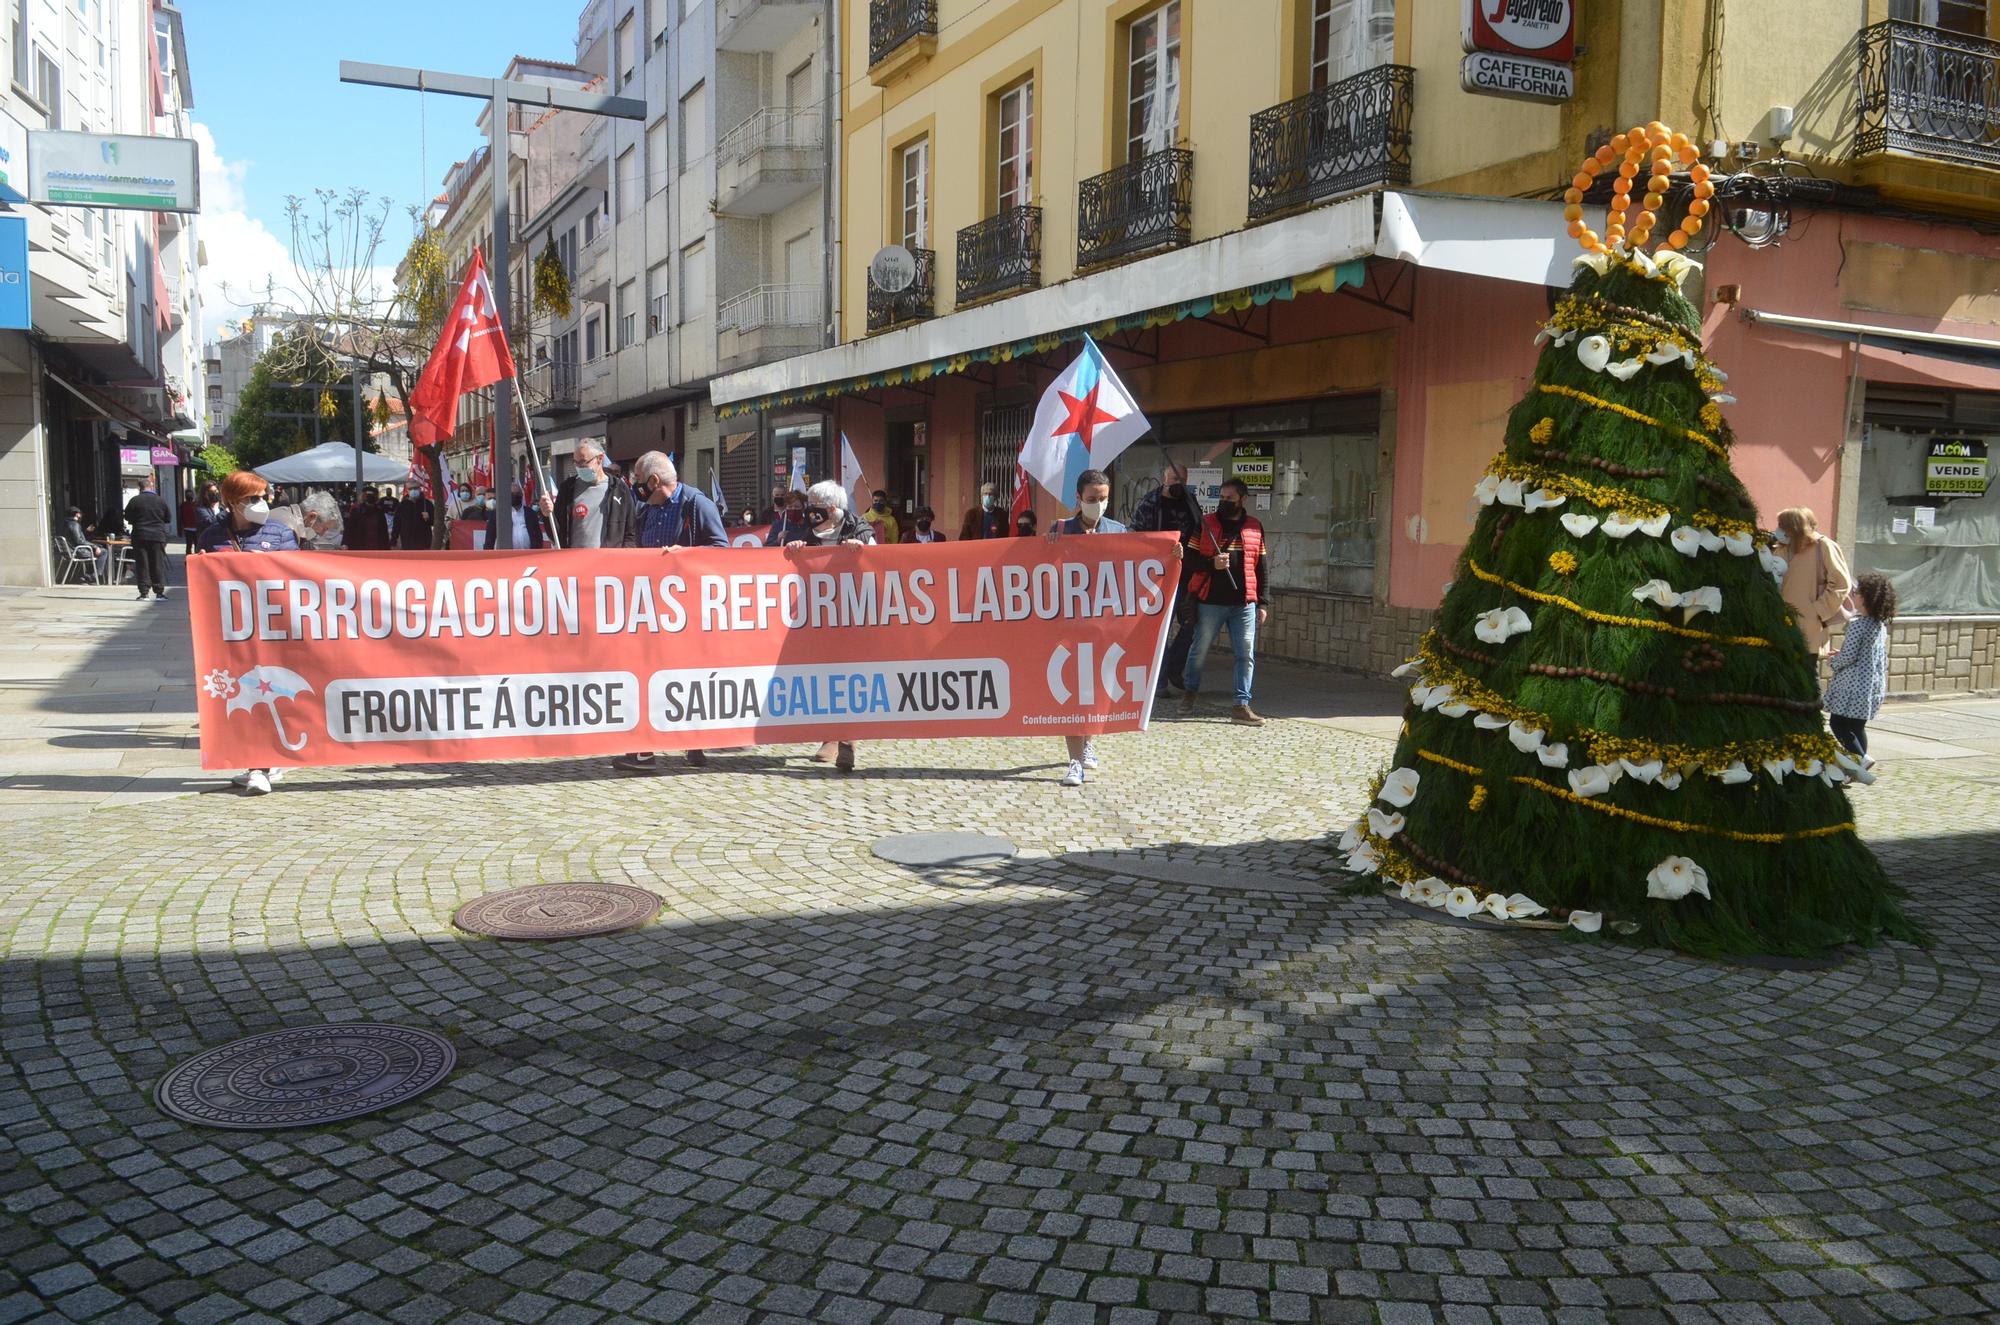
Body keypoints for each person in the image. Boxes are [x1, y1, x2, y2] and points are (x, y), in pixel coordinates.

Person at [613, 452, 731, 775]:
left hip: (687, 610)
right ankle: (644, 749)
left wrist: (687, 556)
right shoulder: (645, 508)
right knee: (648, 675)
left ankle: (692, 739)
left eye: (638, 482)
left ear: (654, 481)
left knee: (684, 677)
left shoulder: (696, 504)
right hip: (650, 608)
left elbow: (722, 551)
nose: (635, 488)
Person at [197, 471, 302, 797]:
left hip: (272, 633)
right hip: (230, 634)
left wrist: (268, 566)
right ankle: (255, 763)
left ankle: (261, 766)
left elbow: (298, 577)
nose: (261, 503)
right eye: (252, 499)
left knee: (265, 695)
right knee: (240, 698)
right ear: (232, 502)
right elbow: (201, 584)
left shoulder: (280, 533)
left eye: (264, 496)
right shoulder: (211, 536)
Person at [785, 479, 874, 772]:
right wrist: (793, 549)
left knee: (850, 677)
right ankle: (829, 736)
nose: (811, 514)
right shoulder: (807, 534)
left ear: (834, 510)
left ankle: (848, 739)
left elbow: (880, 567)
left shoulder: (859, 530)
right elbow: (786, 567)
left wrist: (863, 554)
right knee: (824, 677)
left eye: (817, 509)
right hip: (817, 620)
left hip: (853, 620)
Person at [1048, 470, 1127, 787]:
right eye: (1092, 499)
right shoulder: (1061, 529)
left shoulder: (1119, 530)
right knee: (1072, 693)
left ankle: (1089, 742)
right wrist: (1047, 547)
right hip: (1069, 625)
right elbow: (1041, 567)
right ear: (1078, 498)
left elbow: (1138, 566)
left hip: (1105, 627)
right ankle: (1074, 761)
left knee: (1094, 692)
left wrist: (1169, 555)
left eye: (1104, 498)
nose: (1098, 504)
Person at [1180, 477, 1268, 726]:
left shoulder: (1254, 526)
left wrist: (1263, 602)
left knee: (1246, 655)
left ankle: (1241, 704)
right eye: (1222, 498)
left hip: (1244, 603)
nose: (1224, 502)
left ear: (1243, 499)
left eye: (1230, 498)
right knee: (1199, 651)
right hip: (1211, 601)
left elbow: (1262, 567)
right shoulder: (1206, 524)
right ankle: (1190, 693)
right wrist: (1212, 564)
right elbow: (1189, 560)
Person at [1129, 460, 1204, 695]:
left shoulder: (1191, 503)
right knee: (1160, 629)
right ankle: (1159, 682)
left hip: (1186, 575)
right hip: (1157, 577)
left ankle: (1173, 666)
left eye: (1182, 480)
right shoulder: (1151, 504)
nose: (1178, 484)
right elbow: (1135, 537)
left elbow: (1199, 533)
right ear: (1164, 480)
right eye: (1174, 480)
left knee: (1194, 624)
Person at [1824, 573, 1895, 770]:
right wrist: (1843, 654)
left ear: (1866, 598)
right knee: (1856, 727)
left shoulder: (1857, 625)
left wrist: (1833, 660)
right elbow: (1865, 653)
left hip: (1852, 686)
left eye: (1856, 592)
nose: (1853, 595)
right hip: (1870, 686)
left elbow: (1848, 657)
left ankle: (1860, 759)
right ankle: (1859, 767)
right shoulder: (1879, 625)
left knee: (1838, 724)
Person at [1775, 507, 1853, 658]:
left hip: (1809, 627)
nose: (1779, 529)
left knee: (1806, 677)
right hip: (1780, 626)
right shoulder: (1781, 548)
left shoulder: (1823, 546)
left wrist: (1818, 611)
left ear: (1795, 527)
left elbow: (1841, 583)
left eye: (1783, 525)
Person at [541, 439, 637, 549]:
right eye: (575, 462)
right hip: (574, 561)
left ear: (600, 459)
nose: (579, 467)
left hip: (609, 561)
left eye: (583, 462)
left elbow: (631, 532)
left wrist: (622, 558)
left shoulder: (619, 489)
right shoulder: (567, 488)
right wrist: (548, 515)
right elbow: (556, 535)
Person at [123, 477, 173, 601]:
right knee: (157, 564)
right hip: (157, 535)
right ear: (151, 487)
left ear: (140, 488)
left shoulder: (135, 501)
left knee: (142, 564)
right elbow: (168, 518)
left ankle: (144, 593)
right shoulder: (160, 501)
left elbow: (128, 516)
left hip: (140, 535)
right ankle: (159, 592)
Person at [268, 490, 344, 549]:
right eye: (324, 528)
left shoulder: (292, 519)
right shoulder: (287, 527)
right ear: (312, 516)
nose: (322, 534)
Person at [484, 484, 550, 549]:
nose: (515, 496)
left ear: (521, 495)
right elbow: (490, 538)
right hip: (507, 556)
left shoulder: (531, 513)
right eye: (512, 494)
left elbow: (538, 536)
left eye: (517, 493)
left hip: (528, 556)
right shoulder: (497, 514)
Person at [60, 506, 111, 582]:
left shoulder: (65, 524)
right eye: (80, 514)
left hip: (70, 550)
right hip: (77, 551)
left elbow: (75, 537)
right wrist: (95, 546)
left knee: (99, 550)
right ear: (77, 514)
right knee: (103, 552)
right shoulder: (75, 525)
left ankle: (88, 574)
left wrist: (86, 532)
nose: (81, 516)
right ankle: (95, 576)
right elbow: (79, 540)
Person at [344, 486, 391, 550]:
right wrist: (345, 543)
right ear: (363, 496)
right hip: (360, 548)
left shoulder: (379, 512)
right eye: (367, 495)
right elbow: (349, 529)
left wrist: (386, 549)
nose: (369, 497)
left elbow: (384, 533)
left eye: (372, 495)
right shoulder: (356, 511)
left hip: (376, 549)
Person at [395, 483, 435, 551]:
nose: (413, 490)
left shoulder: (427, 504)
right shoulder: (402, 505)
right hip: (407, 542)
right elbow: (396, 524)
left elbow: (434, 522)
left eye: (415, 488)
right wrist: (394, 539)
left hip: (423, 542)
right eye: (410, 489)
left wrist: (428, 518)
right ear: (407, 490)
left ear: (420, 489)